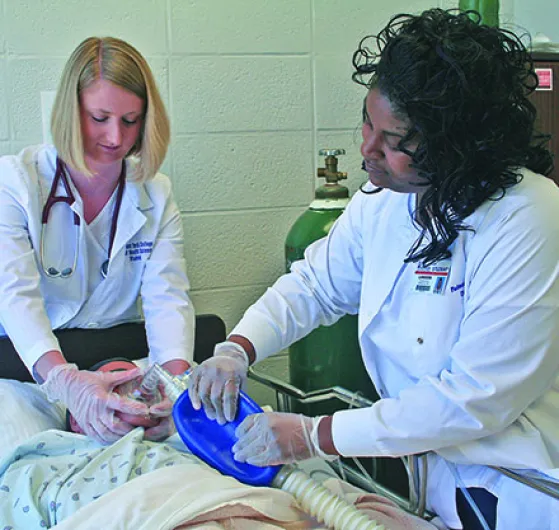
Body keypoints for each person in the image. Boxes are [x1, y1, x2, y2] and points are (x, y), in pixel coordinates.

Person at [188, 8, 559, 530]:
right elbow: (315, 286)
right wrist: (237, 348)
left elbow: (474, 399)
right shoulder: (385, 201)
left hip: (520, 489)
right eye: (368, 121)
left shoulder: (529, 216)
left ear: (456, 147)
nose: (367, 150)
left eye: (396, 141)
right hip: (432, 482)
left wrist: (312, 435)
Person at [0, 36, 195, 445]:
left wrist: (174, 390)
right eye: (99, 117)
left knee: (170, 446)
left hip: (120, 359)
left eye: (130, 120)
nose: (115, 138)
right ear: (71, 112)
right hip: (28, 372)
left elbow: (168, 299)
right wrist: (67, 383)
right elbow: (15, 295)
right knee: (24, 451)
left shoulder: (155, 195)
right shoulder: (15, 184)